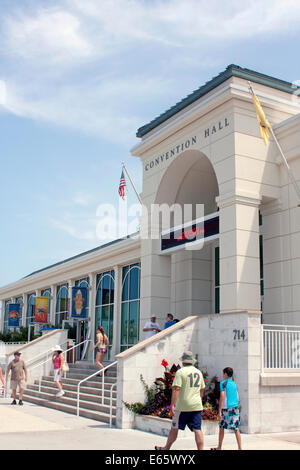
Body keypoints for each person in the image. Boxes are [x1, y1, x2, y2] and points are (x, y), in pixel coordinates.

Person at [155, 351, 205, 451]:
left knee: (174, 428)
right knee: (197, 429)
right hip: (196, 406)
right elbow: (202, 390)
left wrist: (172, 405)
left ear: (183, 361)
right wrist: (198, 400)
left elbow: (176, 389)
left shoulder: (180, 372)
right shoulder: (198, 372)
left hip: (183, 406)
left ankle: (166, 448)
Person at [211, 367, 242, 450]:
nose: (222, 375)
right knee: (236, 429)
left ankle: (219, 447)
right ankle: (240, 448)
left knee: (221, 427)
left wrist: (219, 410)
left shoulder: (223, 383)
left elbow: (222, 396)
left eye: (223, 373)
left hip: (226, 408)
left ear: (225, 374)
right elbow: (237, 397)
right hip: (235, 408)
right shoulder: (234, 383)